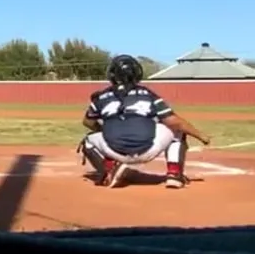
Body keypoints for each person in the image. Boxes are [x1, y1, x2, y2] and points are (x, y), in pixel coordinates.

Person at [78, 55, 210, 189]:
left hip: (114, 151)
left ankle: (108, 170)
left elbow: (88, 122)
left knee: (88, 140)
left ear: (112, 74)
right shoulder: (147, 94)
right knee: (177, 129)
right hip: (147, 150)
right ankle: (174, 174)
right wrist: (201, 136)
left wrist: (106, 130)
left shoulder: (101, 97)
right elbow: (173, 121)